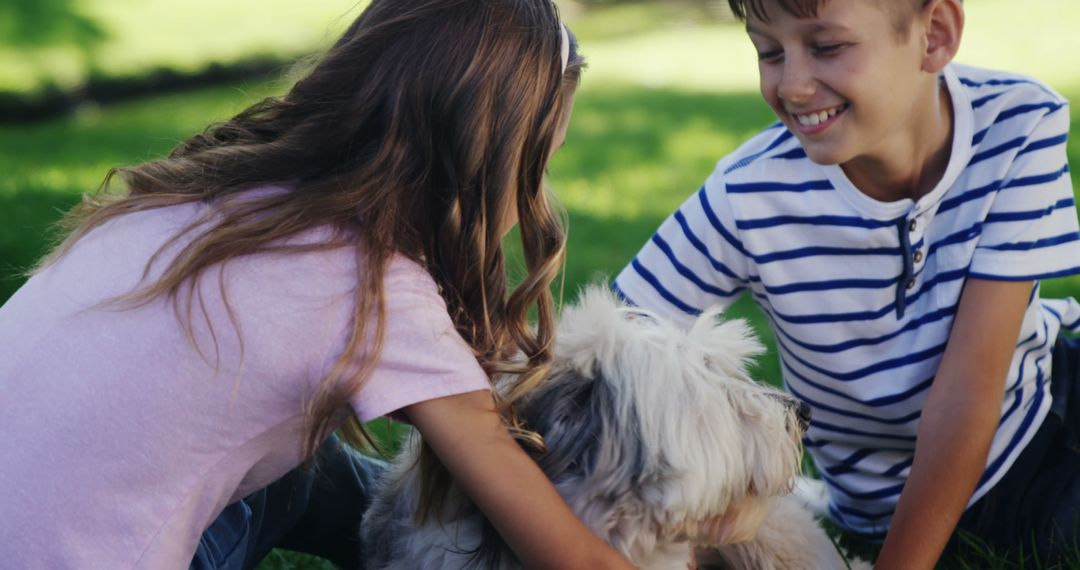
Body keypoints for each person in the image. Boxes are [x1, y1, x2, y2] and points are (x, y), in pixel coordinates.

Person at [0, 1, 636, 569]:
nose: (535, 198)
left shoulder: (211, 194)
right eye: (538, 164)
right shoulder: (372, 291)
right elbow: (572, 560)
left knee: (299, 467)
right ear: (485, 161)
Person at [613, 0, 1080, 567]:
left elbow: (966, 397)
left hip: (1035, 430)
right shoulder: (749, 194)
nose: (793, 85)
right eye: (769, 52)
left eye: (827, 47)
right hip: (893, 502)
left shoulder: (1017, 123)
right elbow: (613, 341)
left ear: (934, 35)